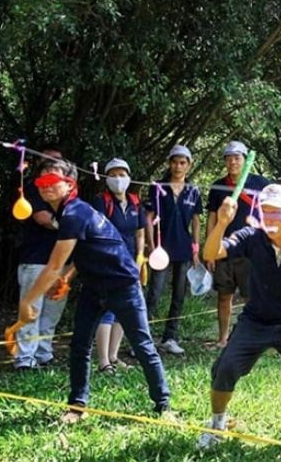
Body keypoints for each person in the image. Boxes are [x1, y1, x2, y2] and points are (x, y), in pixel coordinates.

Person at [18, 159, 170, 423]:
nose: (45, 186)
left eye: (53, 180)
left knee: (143, 345)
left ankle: (164, 406)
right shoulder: (67, 214)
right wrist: (67, 279)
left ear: (70, 185)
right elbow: (86, 251)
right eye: (41, 181)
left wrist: (27, 302)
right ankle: (77, 406)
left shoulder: (74, 213)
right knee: (80, 345)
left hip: (123, 285)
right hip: (93, 286)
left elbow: (54, 264)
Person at [197, 184, 281, 450]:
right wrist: (221, 223)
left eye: (278, 212)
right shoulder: (252, 236)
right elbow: (210, 253)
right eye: (266, 213)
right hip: (255, 320)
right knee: (225, 369)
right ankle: (217, 425)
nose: (271, 219)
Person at [206, 141, 270, 348]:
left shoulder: (261, 184)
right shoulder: (218, 186)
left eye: (237, 158)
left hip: (252, 250)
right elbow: (212, 218)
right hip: (224, 248)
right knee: (224, 296)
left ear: (244, 159)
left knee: (251, 297)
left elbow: (271, 212)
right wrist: (210, 250)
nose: (233, 162)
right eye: (229, 158)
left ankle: (252, 338)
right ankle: (223, 338)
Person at [14, 148, 69, 370]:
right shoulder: (34, 189)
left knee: (52, 311)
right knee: (31, 310)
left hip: (61, 261)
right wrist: (68, 227)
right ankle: (25, 360)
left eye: (57, 162)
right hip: (36, 260)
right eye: (47, 162)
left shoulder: (68, 195)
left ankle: (43, 354)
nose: (51, 166)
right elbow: (42, 217)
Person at [145, 145, 203, 355]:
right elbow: (149, 218)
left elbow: (196, 221)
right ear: (169, 163)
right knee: (154, 293)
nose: (178, 166)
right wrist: (152, 246)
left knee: (179, 295)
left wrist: (195, 250)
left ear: (189, 165)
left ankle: (170, 338)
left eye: (182, 162)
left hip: (184, 248)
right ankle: (142, 340)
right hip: (161, 249)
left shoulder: (193, 190)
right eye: (175, 162)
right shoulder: (157, 187)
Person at [91, 158, 147, 373]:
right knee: (107, 309)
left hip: (130, 262)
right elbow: (98, 232)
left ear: (129, 177)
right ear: (106, 179)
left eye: (122, 175)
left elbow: (140, 232)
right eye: (113, 175)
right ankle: (103, 361)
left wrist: (140, 257)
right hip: (108, 261)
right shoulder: (101, 201)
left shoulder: (135, 202)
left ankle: (114, 356)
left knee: (124, 309)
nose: (118, 179)